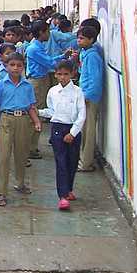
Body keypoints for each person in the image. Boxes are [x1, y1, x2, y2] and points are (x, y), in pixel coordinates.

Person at [0, 53, 40, 207]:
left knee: (21, 154)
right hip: (6, 119)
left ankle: (20, 183)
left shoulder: (27, 86)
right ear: (6, 66)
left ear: (23, 66)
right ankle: (1, 192)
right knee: (4, 156)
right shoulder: (0, 85)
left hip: (24, 120)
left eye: (19, 65)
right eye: (12, 65)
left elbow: (31, 106)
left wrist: (36, 121)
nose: (16, 68)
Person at [40, 60, 85, 210]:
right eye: (59, 74)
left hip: (73, 129)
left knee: (72, 161)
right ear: (55, 74)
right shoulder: (53, 91)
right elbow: (52, 111)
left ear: (72, 74)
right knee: (61, 163)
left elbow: (82, 115)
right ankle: (62, 195)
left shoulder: (78, 92)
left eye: (66, 74)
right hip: (58, 129)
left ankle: (69, 189)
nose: (62, 77)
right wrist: (38, 112)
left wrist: (73, 133)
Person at [25, 20, 67, 160]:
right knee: (35, 114)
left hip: (41, 80)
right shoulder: (34, 48)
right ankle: (30, 147)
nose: (49, 34)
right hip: (37, 82)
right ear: (41, 32)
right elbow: (49, 62)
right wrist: (64, 60)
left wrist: (62, 56)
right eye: (47, 31)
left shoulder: (38, 46)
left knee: (39, 112)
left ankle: (32, 146)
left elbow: (48, 60)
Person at [77, 25, 104, 172]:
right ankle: (84, 159)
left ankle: (86, 162)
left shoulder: (93, 56)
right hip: (85, 94)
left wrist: (87, 96)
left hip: (90, 97)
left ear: (91, 39)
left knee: (88, 130)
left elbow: (95, 79)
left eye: (82, 38)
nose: (79, 41)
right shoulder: (86, 53)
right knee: (84, 128)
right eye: (78, 38)